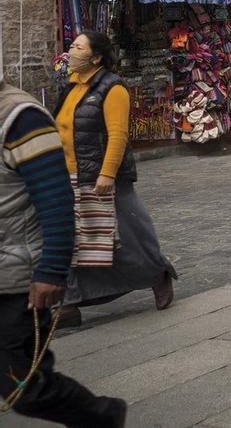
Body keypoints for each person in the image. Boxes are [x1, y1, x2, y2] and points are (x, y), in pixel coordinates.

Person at [0, 76, 128, 425]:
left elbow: (55, 199)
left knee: (24, 386)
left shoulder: (19, 116)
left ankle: (103, 417)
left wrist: (51, 270)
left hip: (16, 279)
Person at [54, 31, 176, 327]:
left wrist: (107, 173)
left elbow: (118, 134)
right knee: (65, 240)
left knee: (126, 237)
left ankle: (156, 273)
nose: (70, 51)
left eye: (77, 47)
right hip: (68, 176)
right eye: (71, 46)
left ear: (95, 57)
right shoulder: (71, 88)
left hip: (101, 176)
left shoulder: (113, 88)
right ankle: (67, 303)